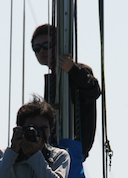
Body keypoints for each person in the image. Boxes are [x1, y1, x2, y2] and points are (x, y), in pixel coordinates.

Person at [31, 24, 101, 160]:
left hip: (74, 148)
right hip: (53, 150)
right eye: (36, 48)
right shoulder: (52, 80)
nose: (41, 51)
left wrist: (72, 69)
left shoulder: (78, 71)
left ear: (57, 45)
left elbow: (93, 91)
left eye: (46, 45)